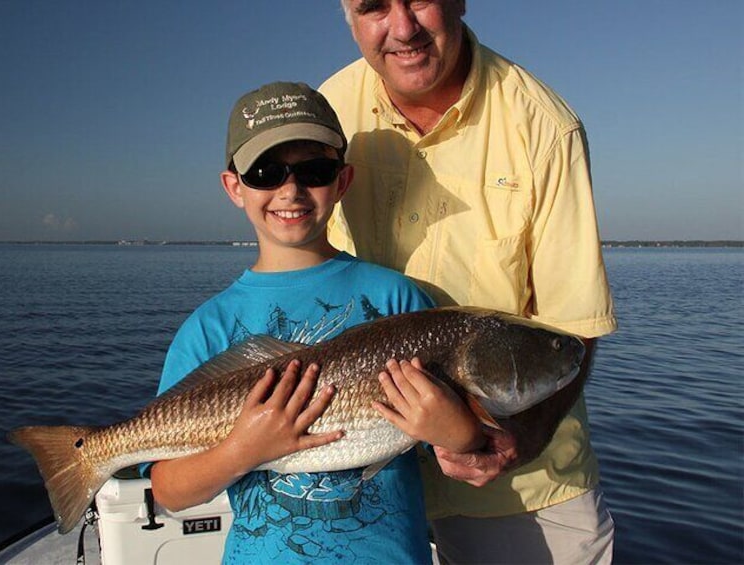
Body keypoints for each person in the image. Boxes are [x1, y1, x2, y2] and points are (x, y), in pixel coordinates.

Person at [319, 1, 618, 563]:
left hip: (520, 494)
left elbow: (574, 331)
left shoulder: (545, 127)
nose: (403, 28)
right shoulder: (329, 111)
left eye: (421, 0)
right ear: (348, 16)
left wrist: (515, 443)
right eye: (374, 7)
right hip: (360, 480)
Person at [148, 81, 483, 564]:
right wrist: (243, 449)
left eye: (315, 170)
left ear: (342, 181)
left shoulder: (400, 299)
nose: (291, 189)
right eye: (265, 172)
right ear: (234, 187)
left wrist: (463, 436)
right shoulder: (208, 327)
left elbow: (453, 448)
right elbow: (168, 490)